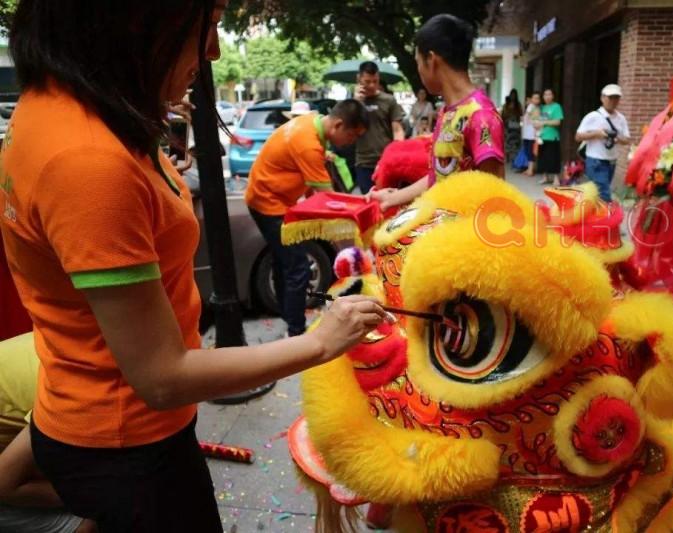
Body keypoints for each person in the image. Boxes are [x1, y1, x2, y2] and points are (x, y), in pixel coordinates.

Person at [0, 2, 385, 532]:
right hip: (128, 441)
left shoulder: (57, 106)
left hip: (90, 416)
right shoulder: (88, 161)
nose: (214, 49)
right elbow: (161, 376)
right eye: (209, 19)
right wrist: (321, 341)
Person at [246, 99, 370, 337]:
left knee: (286, 263)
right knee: (298, 267)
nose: (352, 143)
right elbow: (327, 198)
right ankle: (296, 332)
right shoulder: (308, 144)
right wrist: (362, 206)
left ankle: (288, 318)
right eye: (352, 136)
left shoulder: (311, 124)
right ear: (338, 125)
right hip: (269, 203)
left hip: (271, 198)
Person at [368, 14, 504, 211]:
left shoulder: (481, 115)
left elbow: (495, 194)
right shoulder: (447, 112)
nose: (419, 71)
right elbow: (440, 176)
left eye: (418, 63)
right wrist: (393, 197)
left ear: (431, 60)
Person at [0, 333, 95, 533]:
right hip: (5, 477)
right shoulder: (79, 389)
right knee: (92, 523)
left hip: (18, 444)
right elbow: (4, 483)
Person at [353, 61, 406, 194]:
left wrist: (397, 154)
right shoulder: (353, 103)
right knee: (369, 202)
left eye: (375, 81)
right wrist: (357, 103)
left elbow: (398, 130)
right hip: (364, 162)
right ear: (358, 79)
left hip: (386, 161)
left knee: (389, 203)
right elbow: (349, 129)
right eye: (367, 81)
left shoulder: (388, 100)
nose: (371, 85)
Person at [575, 84, 631, 202]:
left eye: (616, 97)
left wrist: (616, 138)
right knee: (604, 195)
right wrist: (597, 134)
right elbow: (578, 136)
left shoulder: (621, 118)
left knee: (597, 195)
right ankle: (608, 218)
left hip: (612, 162)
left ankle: (590, 216)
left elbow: (627, 140)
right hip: (595, 161)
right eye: (610, 97)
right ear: (602, 98)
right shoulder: (592, 116)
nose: (613, 101)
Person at [536, 88, 564, 185]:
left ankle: (556, 178)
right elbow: (540, 122)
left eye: (549, 94)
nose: (547, 97)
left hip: (553, 136)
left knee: (554, 157)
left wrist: (544, 122)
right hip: (542, 136)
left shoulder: (556, 107)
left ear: (553, 96)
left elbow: (557, 122)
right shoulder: (543, 108)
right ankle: (545, 177)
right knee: (543, 157)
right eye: (545, 95)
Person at [521, 92, 542, 177]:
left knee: (531, 151)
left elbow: (537, 119)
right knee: (528, 150)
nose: (535, 100)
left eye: (537, 98)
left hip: (533, 134)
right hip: (527, 133)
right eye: (534, 98)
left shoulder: (536, 108)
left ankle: (531, 169)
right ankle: (530, 168)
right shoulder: (532, 107)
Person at [501, 89, 523, 163]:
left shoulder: (518, 104)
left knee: (515, 142)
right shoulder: (506, 104)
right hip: (507, 125)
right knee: (507, 141)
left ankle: (515, 158)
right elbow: (503, 115)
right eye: (512, 94)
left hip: (516, 125)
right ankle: (507, 157)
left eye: (514, 94)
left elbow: (521, 114)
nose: (513, 96)